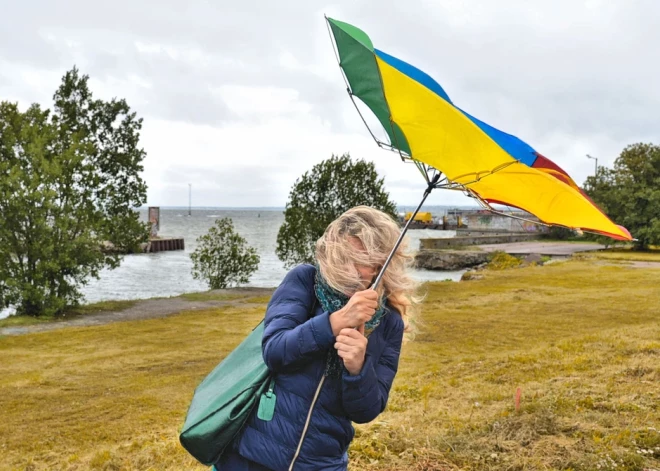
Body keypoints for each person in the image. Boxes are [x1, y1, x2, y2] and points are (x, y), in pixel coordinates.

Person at [213, 206, 420, 470]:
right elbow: (275, 352)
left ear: (382, 264)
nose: (353, 272)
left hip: (322, 463)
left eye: (364, 263)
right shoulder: (304, 281)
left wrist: (358, 368)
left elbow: (366, 411)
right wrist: (337, 321)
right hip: (250, 456)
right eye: (344, 258)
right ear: (330, 252)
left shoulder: (388, 322)